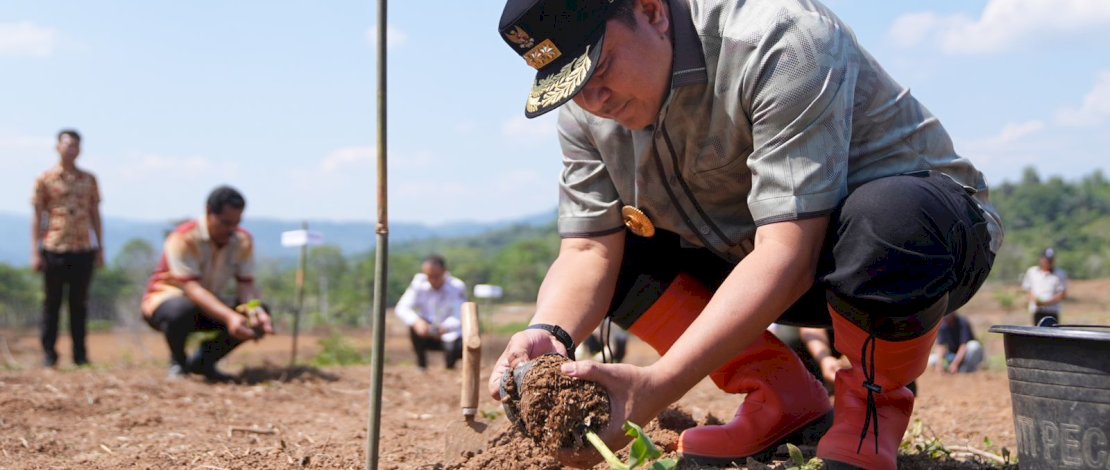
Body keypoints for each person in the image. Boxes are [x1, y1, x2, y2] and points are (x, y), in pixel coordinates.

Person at [489, 0, 1003, 468]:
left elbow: (788, 254)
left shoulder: (778, 38)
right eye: (572, 87)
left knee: (890, 216)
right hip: (760, 261)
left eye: (599, 68)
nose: (594, 99)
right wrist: (550, 331)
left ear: (651, 11)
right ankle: (781, 399)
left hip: (916, 255)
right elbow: (587, 249)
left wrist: (658, 385)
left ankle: (871, 411)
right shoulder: (586, 110)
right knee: (624, 251)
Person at [140, 186, 273, 381]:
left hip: (209, 304)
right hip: (168, 304)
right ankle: (179, 363)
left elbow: (245, 285)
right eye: (226, 223)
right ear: (209, 211)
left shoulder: (243, 241)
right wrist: (229, 317)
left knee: (258, 312)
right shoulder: (183, 238)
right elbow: (192, 289)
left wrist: (255, 311)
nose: (231, 230)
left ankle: (203, 362)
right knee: (181, 309)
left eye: (236, 223)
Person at [31, 129, 104, 367]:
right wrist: (35, 251)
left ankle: (80, 356)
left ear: (80, 149)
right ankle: (49, 355)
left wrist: (100, 248)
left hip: (83, 248)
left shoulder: (89, 179)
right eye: (67, 144)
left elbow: (95, 214)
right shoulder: (45, 179)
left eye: (75, 145)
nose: (71, 149)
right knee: (52, 304)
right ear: (58, 147)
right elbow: (38, 217)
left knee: (79, 305)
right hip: (54, 247)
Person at [394, 255, 468, 370]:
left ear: (444, 272)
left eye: (436, 276)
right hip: (427, 331)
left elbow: (460, 315)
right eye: (429, 276)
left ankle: (450, 368)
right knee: (413, 327)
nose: (432, 280)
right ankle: (421, 365)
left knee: (455, 347)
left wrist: (445, 327)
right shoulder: (418, 284)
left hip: (450, 333)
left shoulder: (456, 287)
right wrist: (417, 322)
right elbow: (402, 308)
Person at [1021, 248, 1067, 326]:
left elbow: (1062, 294)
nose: (1048, 262)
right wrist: (1036, 300)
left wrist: (1046, 303)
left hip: (1052, 311)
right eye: (1047, 260)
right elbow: (1028, 290)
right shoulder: (1032, 272)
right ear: (1041, 259)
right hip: (1037, 311)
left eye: (1050, 260)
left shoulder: (1060, 274)